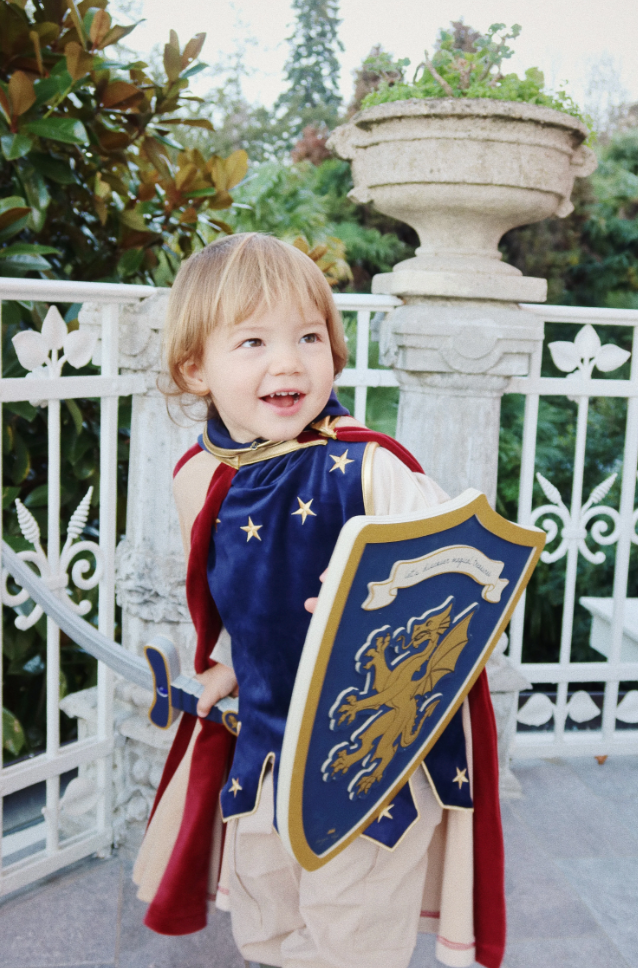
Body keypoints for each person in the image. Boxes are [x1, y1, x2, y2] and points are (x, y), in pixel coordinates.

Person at [133, 233, 505, 968]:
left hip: (371, 763)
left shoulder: (366, 469)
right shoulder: (199, 478)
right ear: (194, 368)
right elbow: (241, 602)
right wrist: (227, 667)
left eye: (309, 336)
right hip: (267, 750)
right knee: (267, 920)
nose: (288, 362)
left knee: (350, 937)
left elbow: (471, 586)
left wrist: (373, 608)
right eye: (253, 341)